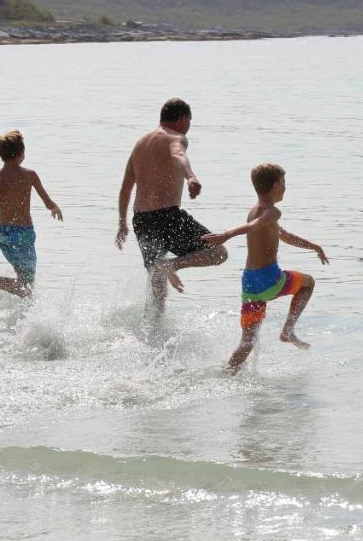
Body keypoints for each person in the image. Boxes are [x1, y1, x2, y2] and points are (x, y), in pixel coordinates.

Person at [202, 162, 328, 372]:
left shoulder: (255, 211)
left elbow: (284, 236)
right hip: (269, 280)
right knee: (308, 283)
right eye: (283, 182)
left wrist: (313, 246)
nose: (286, 187)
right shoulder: (272, 212)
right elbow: (252, 228)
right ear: (275, 186)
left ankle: (226, 374)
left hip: (250, 283)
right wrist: (226, 235)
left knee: (247, 343)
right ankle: (287, 331)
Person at [116, 97, 228, 316]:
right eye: (189, 121)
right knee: (218, 252)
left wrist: (121, 223)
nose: (189, 127)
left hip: (141, 220)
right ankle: (172, 265)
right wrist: (191, 177)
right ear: (182, 118)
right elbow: (178, 154)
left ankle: (156, 328)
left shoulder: (140, 143)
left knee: (156, 280)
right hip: (167, 215)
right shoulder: (176, 137)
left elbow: (126, 188)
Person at [0, 130, 63, 300]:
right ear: (21, 153)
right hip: (24, 234)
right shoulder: (30, 175)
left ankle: (19, 313)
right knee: (27, 287)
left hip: (4, 235)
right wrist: (55, 208)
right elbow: (47, 202)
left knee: (23, 284)